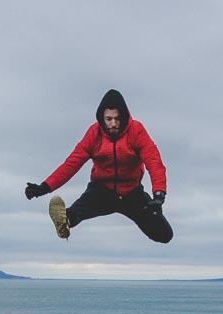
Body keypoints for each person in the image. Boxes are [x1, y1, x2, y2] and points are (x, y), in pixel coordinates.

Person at [25, 88, 173, 244]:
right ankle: (65, 221)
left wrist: (159, 195)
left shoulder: (136, 131)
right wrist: (44, 187)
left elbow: (154, 162)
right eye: (109, 119)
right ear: (102, 118)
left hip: (132, 193)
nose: (113, 123)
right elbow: (71, 164)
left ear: (124, 116)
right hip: (102, 191)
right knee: (77, 212)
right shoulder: (94, 134)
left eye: (117, 118)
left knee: (164, 235)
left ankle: (68, 218)